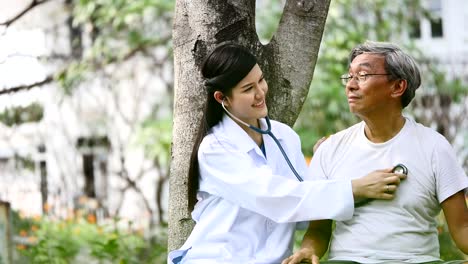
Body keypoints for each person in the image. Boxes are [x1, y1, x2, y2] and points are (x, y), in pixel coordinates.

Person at [168, 43, 407, 264]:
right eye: (248, 89)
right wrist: (355, 188)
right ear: (223, 99)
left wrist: (324, 162)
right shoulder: (215, 149)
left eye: (261, 80)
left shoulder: (284, 136)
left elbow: (303, 214)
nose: (261, 92)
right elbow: (276, 198)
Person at [283, 41, 468, 264]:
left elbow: (462, 228)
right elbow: (318, 230)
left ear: (397, 87)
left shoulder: (435, 147)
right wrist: (308, 249)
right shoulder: (330, 150)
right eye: (349, 76)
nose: (350, 85)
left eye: (362, 75)